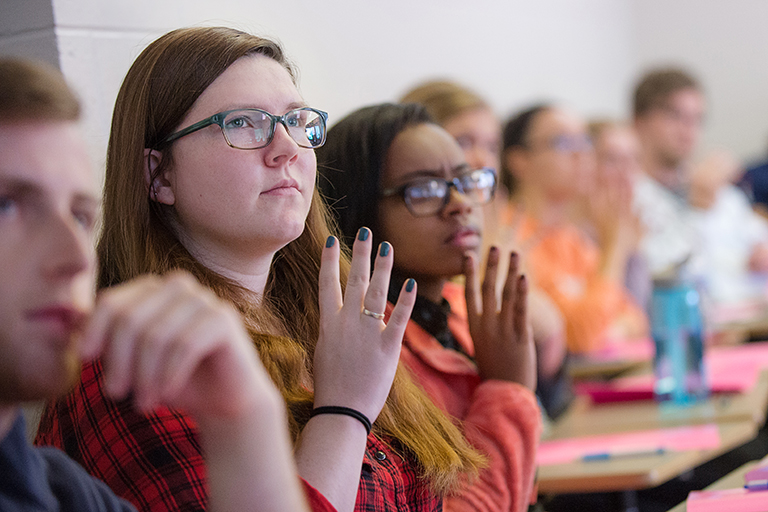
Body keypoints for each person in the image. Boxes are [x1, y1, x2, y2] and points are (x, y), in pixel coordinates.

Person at [34, 27, 483, 512]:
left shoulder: (327, 323)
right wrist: (344, 411)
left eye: (296, 120)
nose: (287, 147)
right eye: (244, 123)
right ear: (159, 175)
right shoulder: (136, 358)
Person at [0, 57, 312, 512]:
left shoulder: (62, 494)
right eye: (6, 206)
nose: (74, 258)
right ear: (158, 175)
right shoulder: (132, 371)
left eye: (81, 217)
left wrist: (246, 421)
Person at [317, 102, 542, 512]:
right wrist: (509, 389)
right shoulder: (364, 349)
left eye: (466, 180)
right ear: (357, 211)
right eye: (423, 189)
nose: (460, 204)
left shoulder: (456, 312)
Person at [400, 81, 570, 418]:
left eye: (491, 146)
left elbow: (553, 364)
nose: (481, 159)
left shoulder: (505, 231)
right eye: (463, 142)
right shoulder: (428, 265)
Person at [499, 104, 648, 354]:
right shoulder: (510, 237)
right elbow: (580, 339)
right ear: (520, 161)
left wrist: (602, 330)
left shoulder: (570, 238)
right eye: (564, 143)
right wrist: (614, 249)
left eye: (585, 142)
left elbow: (635, 319)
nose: (582, 155)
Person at [633, 68, 768, 304]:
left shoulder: (716, 189)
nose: (688, 131)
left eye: (697, 119)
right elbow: (665, 276)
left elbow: (757, 235)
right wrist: (697, 212)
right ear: (640, 121)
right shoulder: (630, 199)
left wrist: (761, 248)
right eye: (675, 116)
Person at [587, 119, 650, 308]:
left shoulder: (632, 223)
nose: (626, 173)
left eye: (634, 160)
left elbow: (637, 315)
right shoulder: (568, 234)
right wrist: (616, 247)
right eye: (612, 160)